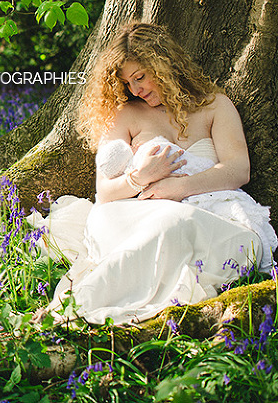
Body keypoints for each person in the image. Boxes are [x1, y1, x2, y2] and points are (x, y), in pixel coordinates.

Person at [42, 22, 276, 325]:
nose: (135, 89)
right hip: (135, 211)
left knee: (190, 225)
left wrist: (180, 188)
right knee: (171, 223)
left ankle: (80, 309)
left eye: (140, 77)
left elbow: (238, 169)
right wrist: (141, 176)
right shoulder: (126, 114)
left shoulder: (214, 106)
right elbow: (105, 191)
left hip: (209, 214)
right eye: (127, 83)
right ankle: (75, 308)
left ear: (164, 63)